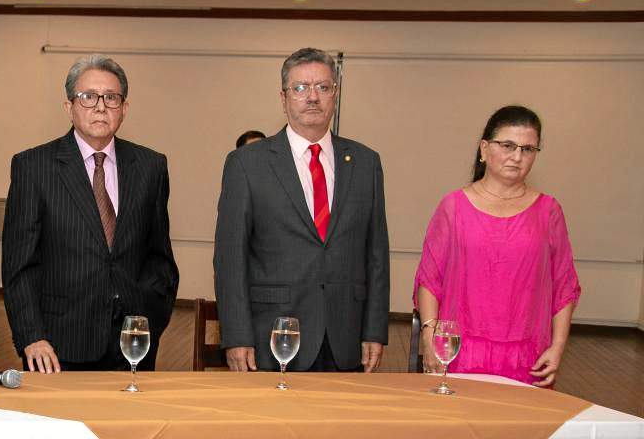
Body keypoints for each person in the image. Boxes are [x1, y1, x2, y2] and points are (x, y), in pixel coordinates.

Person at [214, 47, 389, 373]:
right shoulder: (246, 164)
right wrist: (237, 336)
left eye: (322, 87)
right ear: (283, 98)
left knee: (339, 423)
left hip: (346, 336)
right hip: (273, 334)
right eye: (300, 88)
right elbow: (230, 258)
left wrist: (375, 329)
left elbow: (376, 254)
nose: (312, 97)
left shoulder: (366, 163)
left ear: (334, 95)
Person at [1, 54, 179, 372]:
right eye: (88, 97)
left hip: (132, 344)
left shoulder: (151, 166)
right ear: (69, 107)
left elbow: (159, 254)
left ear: (124, 108)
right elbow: (19, 266)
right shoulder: (33, 167)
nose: (100, 106)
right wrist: (32, 336)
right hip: (57, 346)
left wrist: (152, 317)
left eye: (111, 98)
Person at [414, 105, 580, 386]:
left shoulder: (548, 212)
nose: (517, 157)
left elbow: (565, 286)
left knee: (523, 431)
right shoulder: (454, 207)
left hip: (527, 359)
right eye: (508, 145)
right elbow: (430, 280)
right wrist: (430, 337)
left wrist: (558, 346)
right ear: (484, 148)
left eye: (528, 149)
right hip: (459, 355)